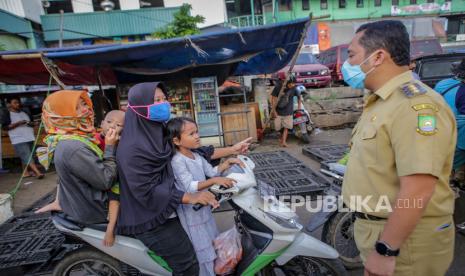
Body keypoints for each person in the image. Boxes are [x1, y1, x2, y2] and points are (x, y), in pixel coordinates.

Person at [341, 20, 456, 276]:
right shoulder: (383, 102)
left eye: (351, 55)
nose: (346, 65)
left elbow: (419, 186)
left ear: (378, 56)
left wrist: (386, 249)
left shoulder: (414, 106)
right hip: (379, 229)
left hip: (406, 241)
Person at [116, 82, 219, 275]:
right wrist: (191, 197)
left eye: (164, 99)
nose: (163, 104)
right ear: (138, 107)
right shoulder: (131, 148)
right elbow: (144, 190)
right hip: (150, 218)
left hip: (167, 208)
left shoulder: (158, 130)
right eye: (156, 100)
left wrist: (231, 151)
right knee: (187, 264)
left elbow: (190, 151)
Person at [167, 117, 243, 276]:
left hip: (204, 209)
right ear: (176, 140)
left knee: (211, 242)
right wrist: (214, 180)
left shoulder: (197, 156)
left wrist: (226, 163)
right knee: (201, 250)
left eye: (197, 132)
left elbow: (211, 172)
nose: (197, 136)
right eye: (191, 134)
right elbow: (190, 186)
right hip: (190, 213)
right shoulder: (177, 161)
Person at [35, 109, 125, 235]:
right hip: (105, 192)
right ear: (101, 123)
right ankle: (110, 229)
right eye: (109, 122)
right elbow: (106, 181)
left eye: (118, 125)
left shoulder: (122, 142)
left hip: (104, 180)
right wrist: (110, 147)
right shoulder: (89, 142)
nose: (112, 126)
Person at [1, 97, 44, 179]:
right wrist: (18, 123)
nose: (18, 104)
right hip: (18, 139)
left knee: (26, 156)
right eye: (15, 102)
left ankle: (26, 173)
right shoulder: (7, 114)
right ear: (9, 104)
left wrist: (34, 123)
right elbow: (5, 128)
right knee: (27, 156)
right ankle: (38, 173)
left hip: (29, 137)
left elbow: (29, 123)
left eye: (18, 102)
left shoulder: (24, 112)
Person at [270, 76, 304, 147]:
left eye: (294, 83)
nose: (293, 85)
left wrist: (299, 107)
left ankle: (284, 142)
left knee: (286, 127)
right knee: (277, 128)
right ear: (287, 82)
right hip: (278, 111)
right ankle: (281, 139)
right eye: (292, 83)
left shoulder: (294, 88)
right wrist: (274, 111)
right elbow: (273, 99)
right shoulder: (278, 87)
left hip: (288, 111)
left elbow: (299, 97)